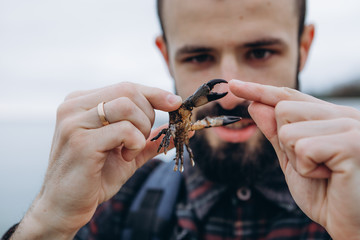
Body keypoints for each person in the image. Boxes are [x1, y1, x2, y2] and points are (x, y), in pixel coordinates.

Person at [3, 0, 360, 239]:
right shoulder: (111, 205)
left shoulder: (351, 202)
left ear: (304, 47)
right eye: (199, 56)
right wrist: (47, 223)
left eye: (261, 52)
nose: (232, 92)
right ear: (166, 55)